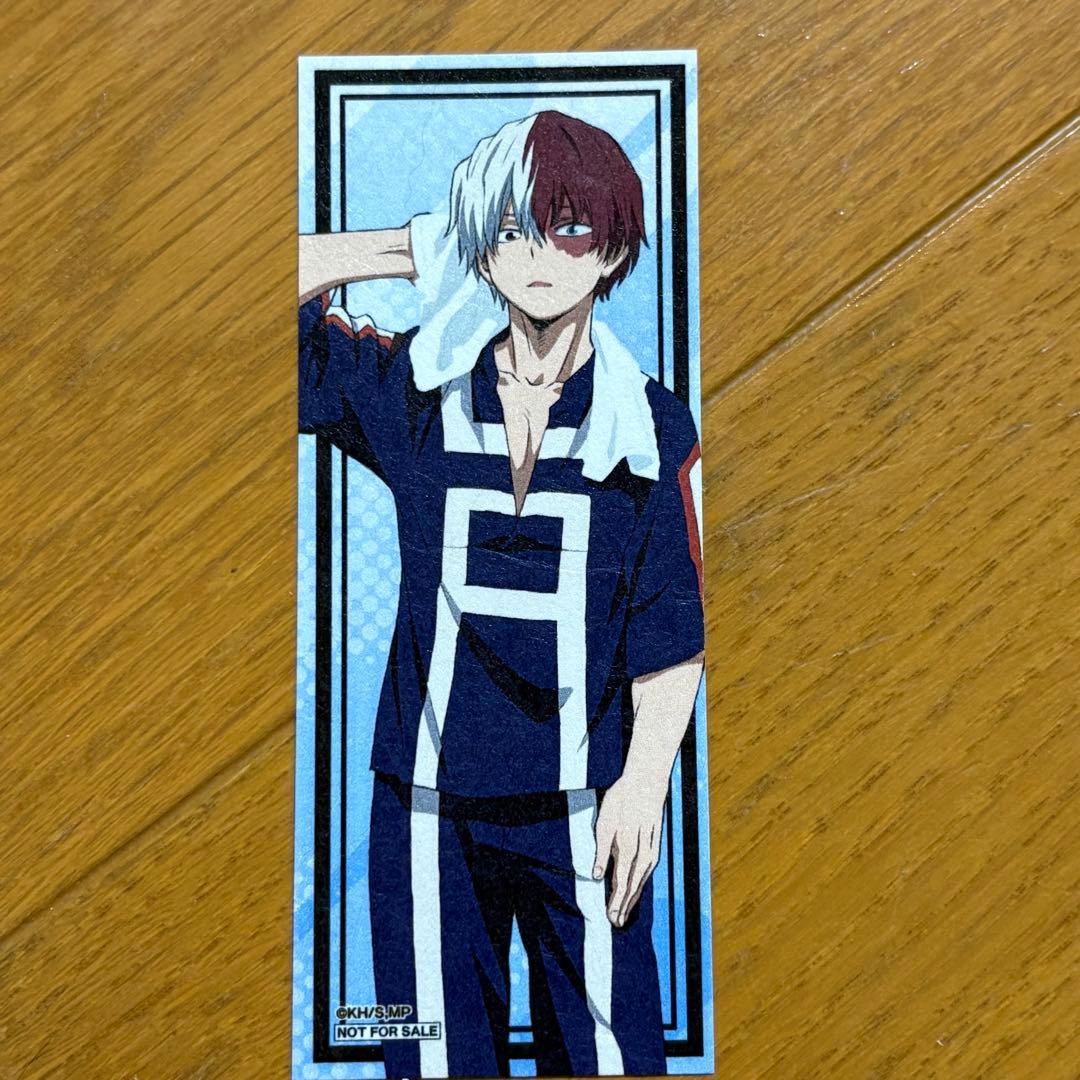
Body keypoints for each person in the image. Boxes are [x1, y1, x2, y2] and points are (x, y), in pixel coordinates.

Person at [298, 109, 704, 1079]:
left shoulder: (651, 427)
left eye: (570, 227)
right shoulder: (417, 391)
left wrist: (644, 784)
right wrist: (412, 247)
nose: (538, 254)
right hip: (424, 811)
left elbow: (670, 626)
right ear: (479, 245)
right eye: (513, 226)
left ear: (613, 249)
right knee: (427, 1058)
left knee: (615, 1059)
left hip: (585, 809)